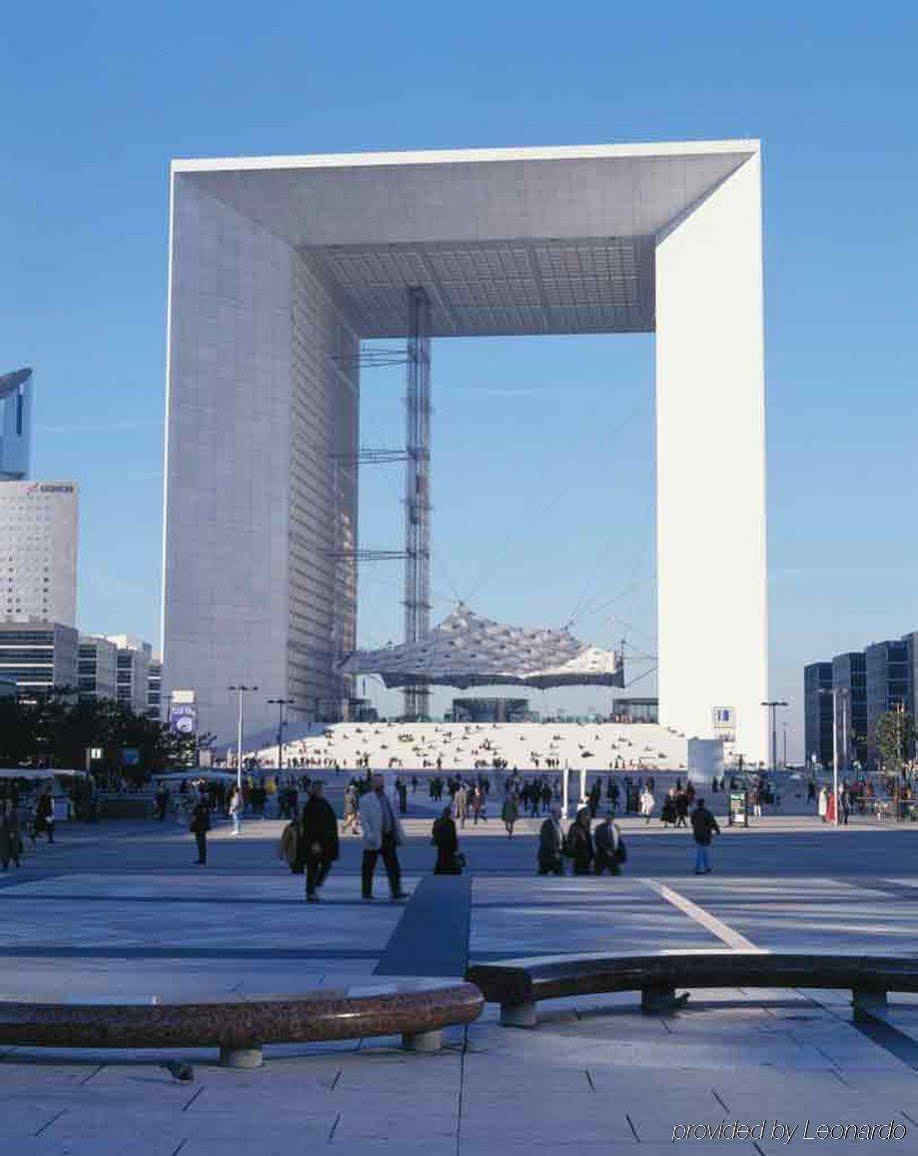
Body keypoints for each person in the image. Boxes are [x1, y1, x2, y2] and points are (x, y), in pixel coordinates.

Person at [358, 773, 406, 901]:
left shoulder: (388, 798)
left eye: (381, 782)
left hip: (388, 835)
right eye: (377, 782)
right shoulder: (365, 799)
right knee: (368, 866)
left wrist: (398, 832)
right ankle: (366, 892)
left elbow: (393, 816)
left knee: (393, 865)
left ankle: (396, 890)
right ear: (372, 784)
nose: (380, 784)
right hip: (374, 837)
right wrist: (369, 835)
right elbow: (364, 820)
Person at [301, 781, 339, 902]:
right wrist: (314, 842)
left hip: (325, 841)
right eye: (322, 790)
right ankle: (311, 891)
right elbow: (310, 826)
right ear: (317, 791)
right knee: (313, 867)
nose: (323, 792)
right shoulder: (311, 805)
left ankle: (314, 888)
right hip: (316, 842)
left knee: (325, 865)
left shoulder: (322, 803)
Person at [690, 797, 720, 874]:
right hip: (706, 833)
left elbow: (692, 822)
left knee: (701, 850)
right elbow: (712, 822)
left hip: (697, 833)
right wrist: (717, 830)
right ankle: (703, 867)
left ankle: (703, 867)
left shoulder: (694, 813)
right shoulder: (707, 813)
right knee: (704, 851)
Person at [432, 806, 462, 874]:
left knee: (442, 857)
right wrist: (455, 846)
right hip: (447, 844)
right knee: (446, 857)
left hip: (443, 843)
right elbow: (453, 835)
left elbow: (434, 832)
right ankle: (445, 869)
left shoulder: (439, 822)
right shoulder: (450, 823)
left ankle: (441, 869)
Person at [565, 807, 594, 875]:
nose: (588, 817)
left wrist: (592, 857)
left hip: (587, 858)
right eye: (586, 815)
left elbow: (589, 844)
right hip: (578, 858)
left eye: (589, 816)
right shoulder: (575, 827)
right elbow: (572, 843)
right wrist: (572, 856)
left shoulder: (586, 827)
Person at [537, 803, 565, 875]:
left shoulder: (557, 824)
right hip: (547, 856)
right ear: (553, 813)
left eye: (560, 812)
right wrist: (554, 852)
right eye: (559, 812)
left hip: (557, 855)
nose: (561, 814)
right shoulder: (547, 824)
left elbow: (561, 839)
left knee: (559, 875)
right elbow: (546, 841)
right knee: (543, 876)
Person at [0, 801, 23, 870]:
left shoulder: (14, 812)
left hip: (14, 833)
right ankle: (5, 863)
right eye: (6, 804)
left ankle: (16, 861)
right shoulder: (2, 813)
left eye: (9, 804)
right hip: (3, 834)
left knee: (14, 849)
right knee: (4, 849)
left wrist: (13, 831)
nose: (7, 806)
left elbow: (16, 823)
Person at [190, 793, 211, 865]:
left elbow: (194, 818)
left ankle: (202, 859)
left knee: (200, 844)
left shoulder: (197, 808)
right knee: (202, 844)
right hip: (204, 827)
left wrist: (191, 826)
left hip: (198, 827)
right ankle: (202, 859)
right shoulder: (206, 807)